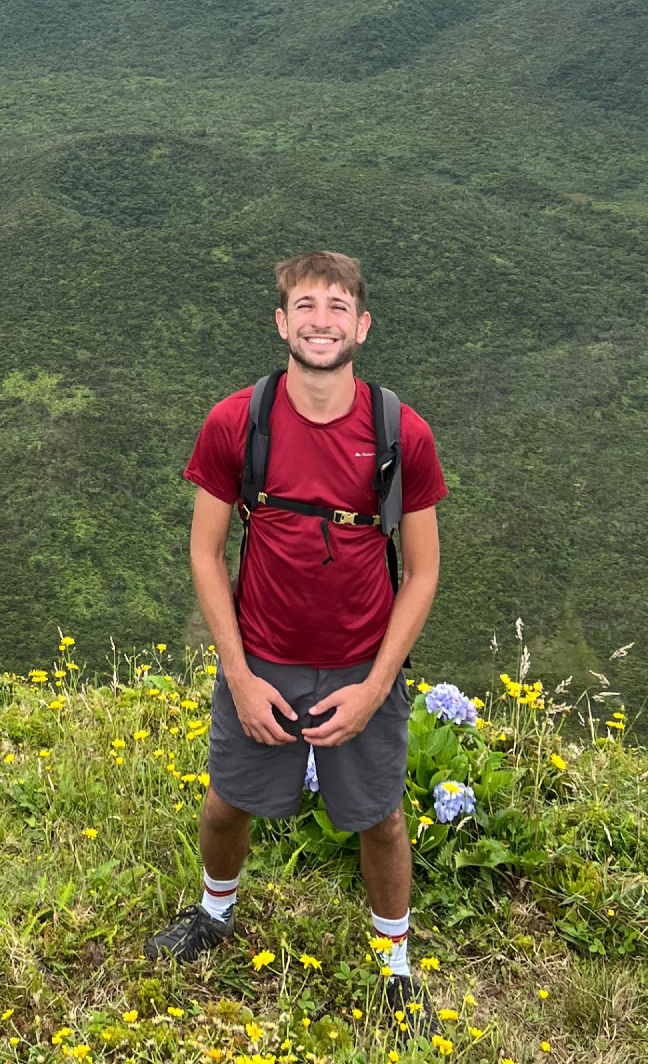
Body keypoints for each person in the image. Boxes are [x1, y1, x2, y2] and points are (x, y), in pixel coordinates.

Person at [147, 250, 449, 1015]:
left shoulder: (401, 432)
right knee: (227, 803)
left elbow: (422, 572)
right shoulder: (237, 422)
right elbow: (206, 553)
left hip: (361, 662)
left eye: (337, 306)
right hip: (262, 656)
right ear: (281, 322)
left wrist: (375, 687)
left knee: (380, 819)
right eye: (306, 306)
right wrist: (240, 676)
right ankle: (214, 913)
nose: (322, 321)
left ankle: (394, 965)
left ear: (363, 326)